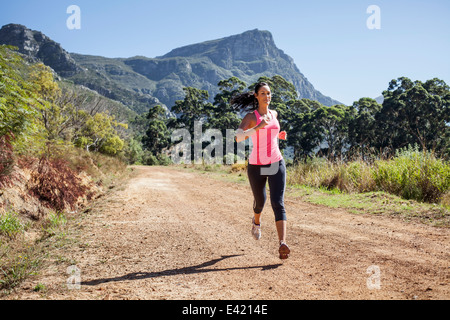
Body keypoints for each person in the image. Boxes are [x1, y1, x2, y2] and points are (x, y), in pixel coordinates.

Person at [233, 82, 290, 259]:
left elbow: (271, 134)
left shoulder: (274, 114)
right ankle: (256, 221)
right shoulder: (252, 116)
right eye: (263, 93)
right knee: (260, 202)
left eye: (269, 93)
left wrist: (278, 135)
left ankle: (282, 243)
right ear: (256, 96)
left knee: (277, 202)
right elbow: (237, 137)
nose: (267, 96)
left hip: (276, 162)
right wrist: (257, 127)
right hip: (257, 165)